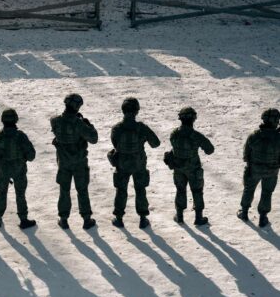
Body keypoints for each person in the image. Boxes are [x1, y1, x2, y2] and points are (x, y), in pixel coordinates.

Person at [109, 98, 160, 229]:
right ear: (137, 111)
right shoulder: (141, 127)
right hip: (139, 164)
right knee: (140, 190)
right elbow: (156, 143)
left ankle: (119, 218)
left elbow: (115, 144)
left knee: (121, 191)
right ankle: (143, 218)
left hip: (122, 164)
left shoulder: (117, 128)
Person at [50, 94, 98, 230]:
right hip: (79, 162)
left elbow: (57, 125)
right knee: (82, 190)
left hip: (63, 162)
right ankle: (86, 219)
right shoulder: (79, 124)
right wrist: (88, 124)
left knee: (64, 190)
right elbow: (94, 139)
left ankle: (64, 219)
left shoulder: (55, 121)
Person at [166, 107, 214, 225]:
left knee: (180, 190)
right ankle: (198, 217)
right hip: (194, 169)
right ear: (193, 119)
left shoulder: (174, 134)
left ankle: (179, 215)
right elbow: (210, 150)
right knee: (197, 191)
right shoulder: (196, 136)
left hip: (178, 168)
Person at [0, 108, 37, 229]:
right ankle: (23, 219)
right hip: (19, 170)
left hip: (2, 170)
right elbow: (31, 155)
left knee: (1, 194)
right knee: (20, 195)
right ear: (15, 119)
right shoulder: (20, 136)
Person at [237, 108, 280, 227]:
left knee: (248, 190)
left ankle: (244, 212)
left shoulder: (254, 135)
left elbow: (246, 154)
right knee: (267, 193)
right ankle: (263, 217)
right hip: (271, 171)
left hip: (254, 169)